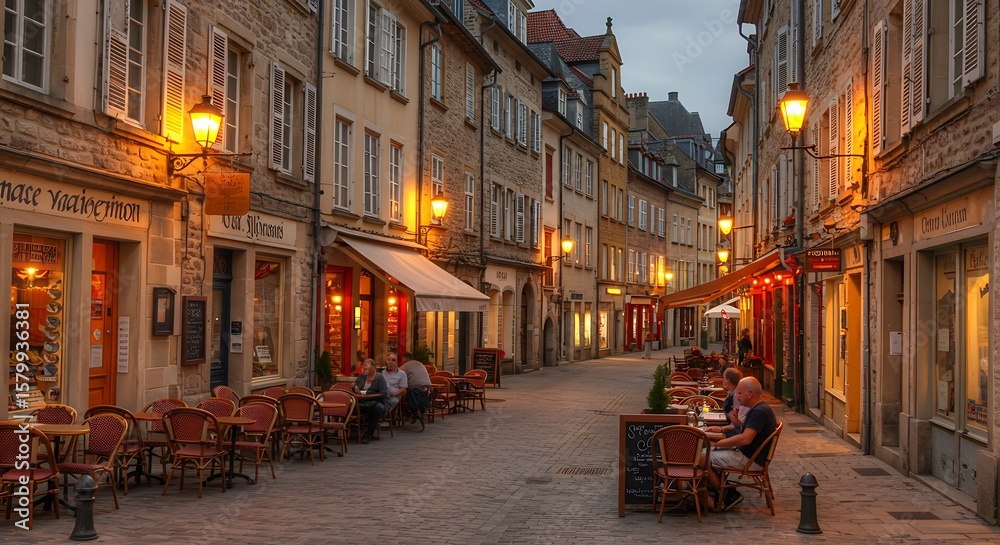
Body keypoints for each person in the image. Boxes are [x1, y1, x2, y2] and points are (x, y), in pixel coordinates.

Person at [704, 377, 778, 512]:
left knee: (701, 457)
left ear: (750, 394)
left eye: (739, 393)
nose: (736, 396)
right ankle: (720, 490)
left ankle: (727, 494)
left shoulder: (759, 412)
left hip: (749, 459)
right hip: (748, 455)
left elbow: (745, 439)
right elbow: (746, 428)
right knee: (705, 453)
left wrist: (718, 443)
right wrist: (721, 430)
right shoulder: (759, 408)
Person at [353, 359, 388, 443]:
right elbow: (354, 387)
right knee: (349, 406)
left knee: (379, 408)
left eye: (365, 369)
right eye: (363, 368)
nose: (363, 370)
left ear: (372, 369)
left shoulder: (379, 377)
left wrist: (368, 396)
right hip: (361, 401)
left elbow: (383, 394)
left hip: (375, 401)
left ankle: (369, 433)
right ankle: (344, 429)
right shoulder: (362, 377)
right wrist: (355, 388)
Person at [400, 352, 432, 430]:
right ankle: (418, 411)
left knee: (406, 394)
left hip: (416, 388)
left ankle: (413, 412)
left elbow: (398, 374)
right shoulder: (420, 364)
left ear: (405, 359)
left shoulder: (405, 366)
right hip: (427, 388)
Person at [717, 368, 744, 437]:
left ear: (727, 380)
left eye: (724, 378)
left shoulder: (736, 395)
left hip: (737, 433)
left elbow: (737, 422)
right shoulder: (733, 392)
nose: (723, 381)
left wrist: (721, 429)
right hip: (732, 427)